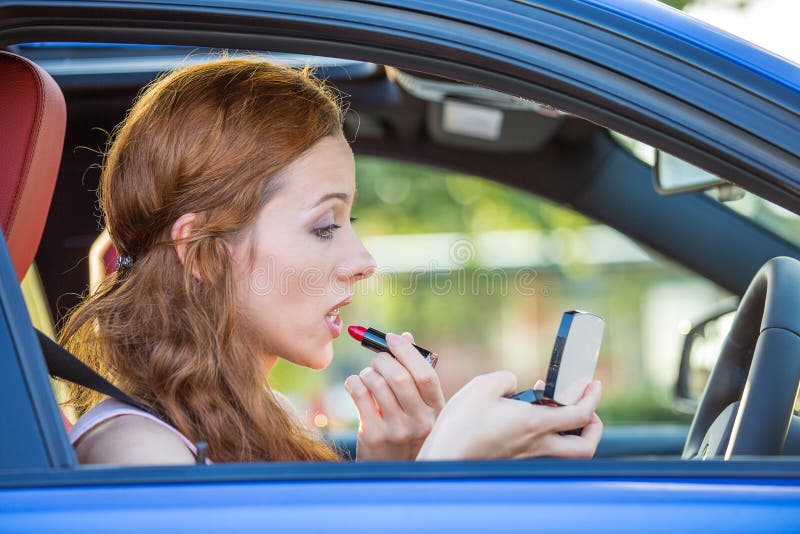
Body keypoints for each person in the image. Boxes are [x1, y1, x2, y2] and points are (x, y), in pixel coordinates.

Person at [60, 59, 603, 465]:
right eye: (324, 227)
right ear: (202, 251)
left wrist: (396, 463)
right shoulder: (139, 453)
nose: (363, 261)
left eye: (351, 224)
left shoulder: (260, 419)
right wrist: (447, 466)